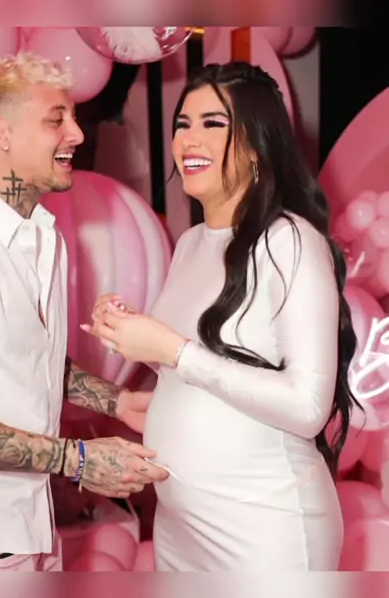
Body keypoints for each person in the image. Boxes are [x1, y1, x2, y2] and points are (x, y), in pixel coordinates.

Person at [86, 61, 362, 571]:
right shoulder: (191, 243)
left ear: (258, 143)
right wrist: (132, 336)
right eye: (182, 124)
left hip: (264, 527)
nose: (189, 139)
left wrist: (173, 351)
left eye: (213, 123)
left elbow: (307, 406)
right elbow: (205, 371)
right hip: (179, 526)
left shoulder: (289, 240)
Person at [0, 52, 168, 572]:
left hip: (28, 518)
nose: (77, 133)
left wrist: (117, 400)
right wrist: (77, 459)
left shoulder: (43, 232)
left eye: (73, 117)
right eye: (56, 119)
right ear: (1, 134)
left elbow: (27, 356)